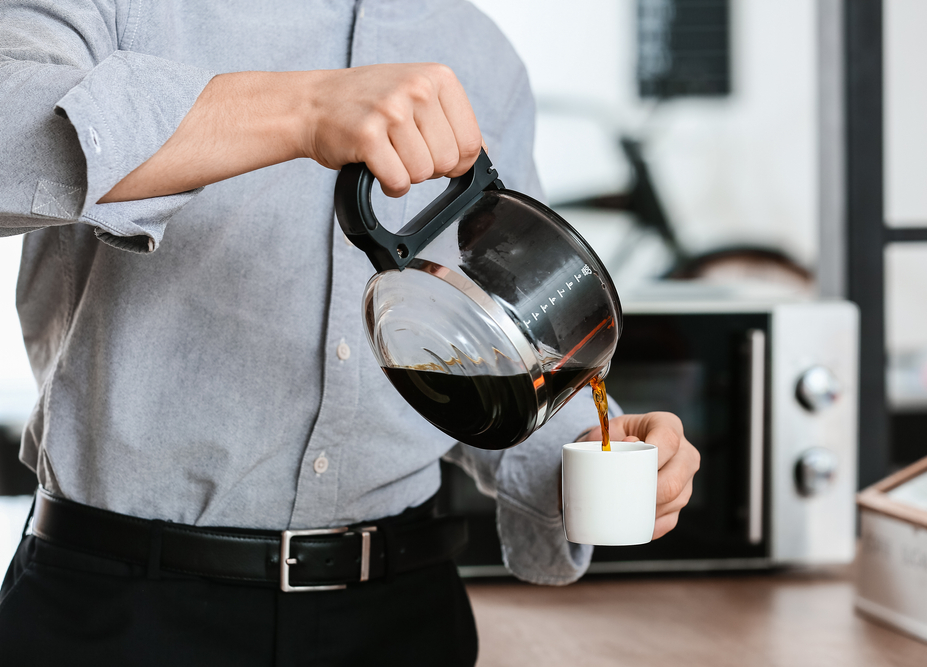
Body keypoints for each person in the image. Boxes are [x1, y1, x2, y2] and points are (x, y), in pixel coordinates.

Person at [0, 1, 700, 665]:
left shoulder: (479, 53)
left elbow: (497, 335)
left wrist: (582, 451)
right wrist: (302, 108)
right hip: (121, 607)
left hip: (402, 613)